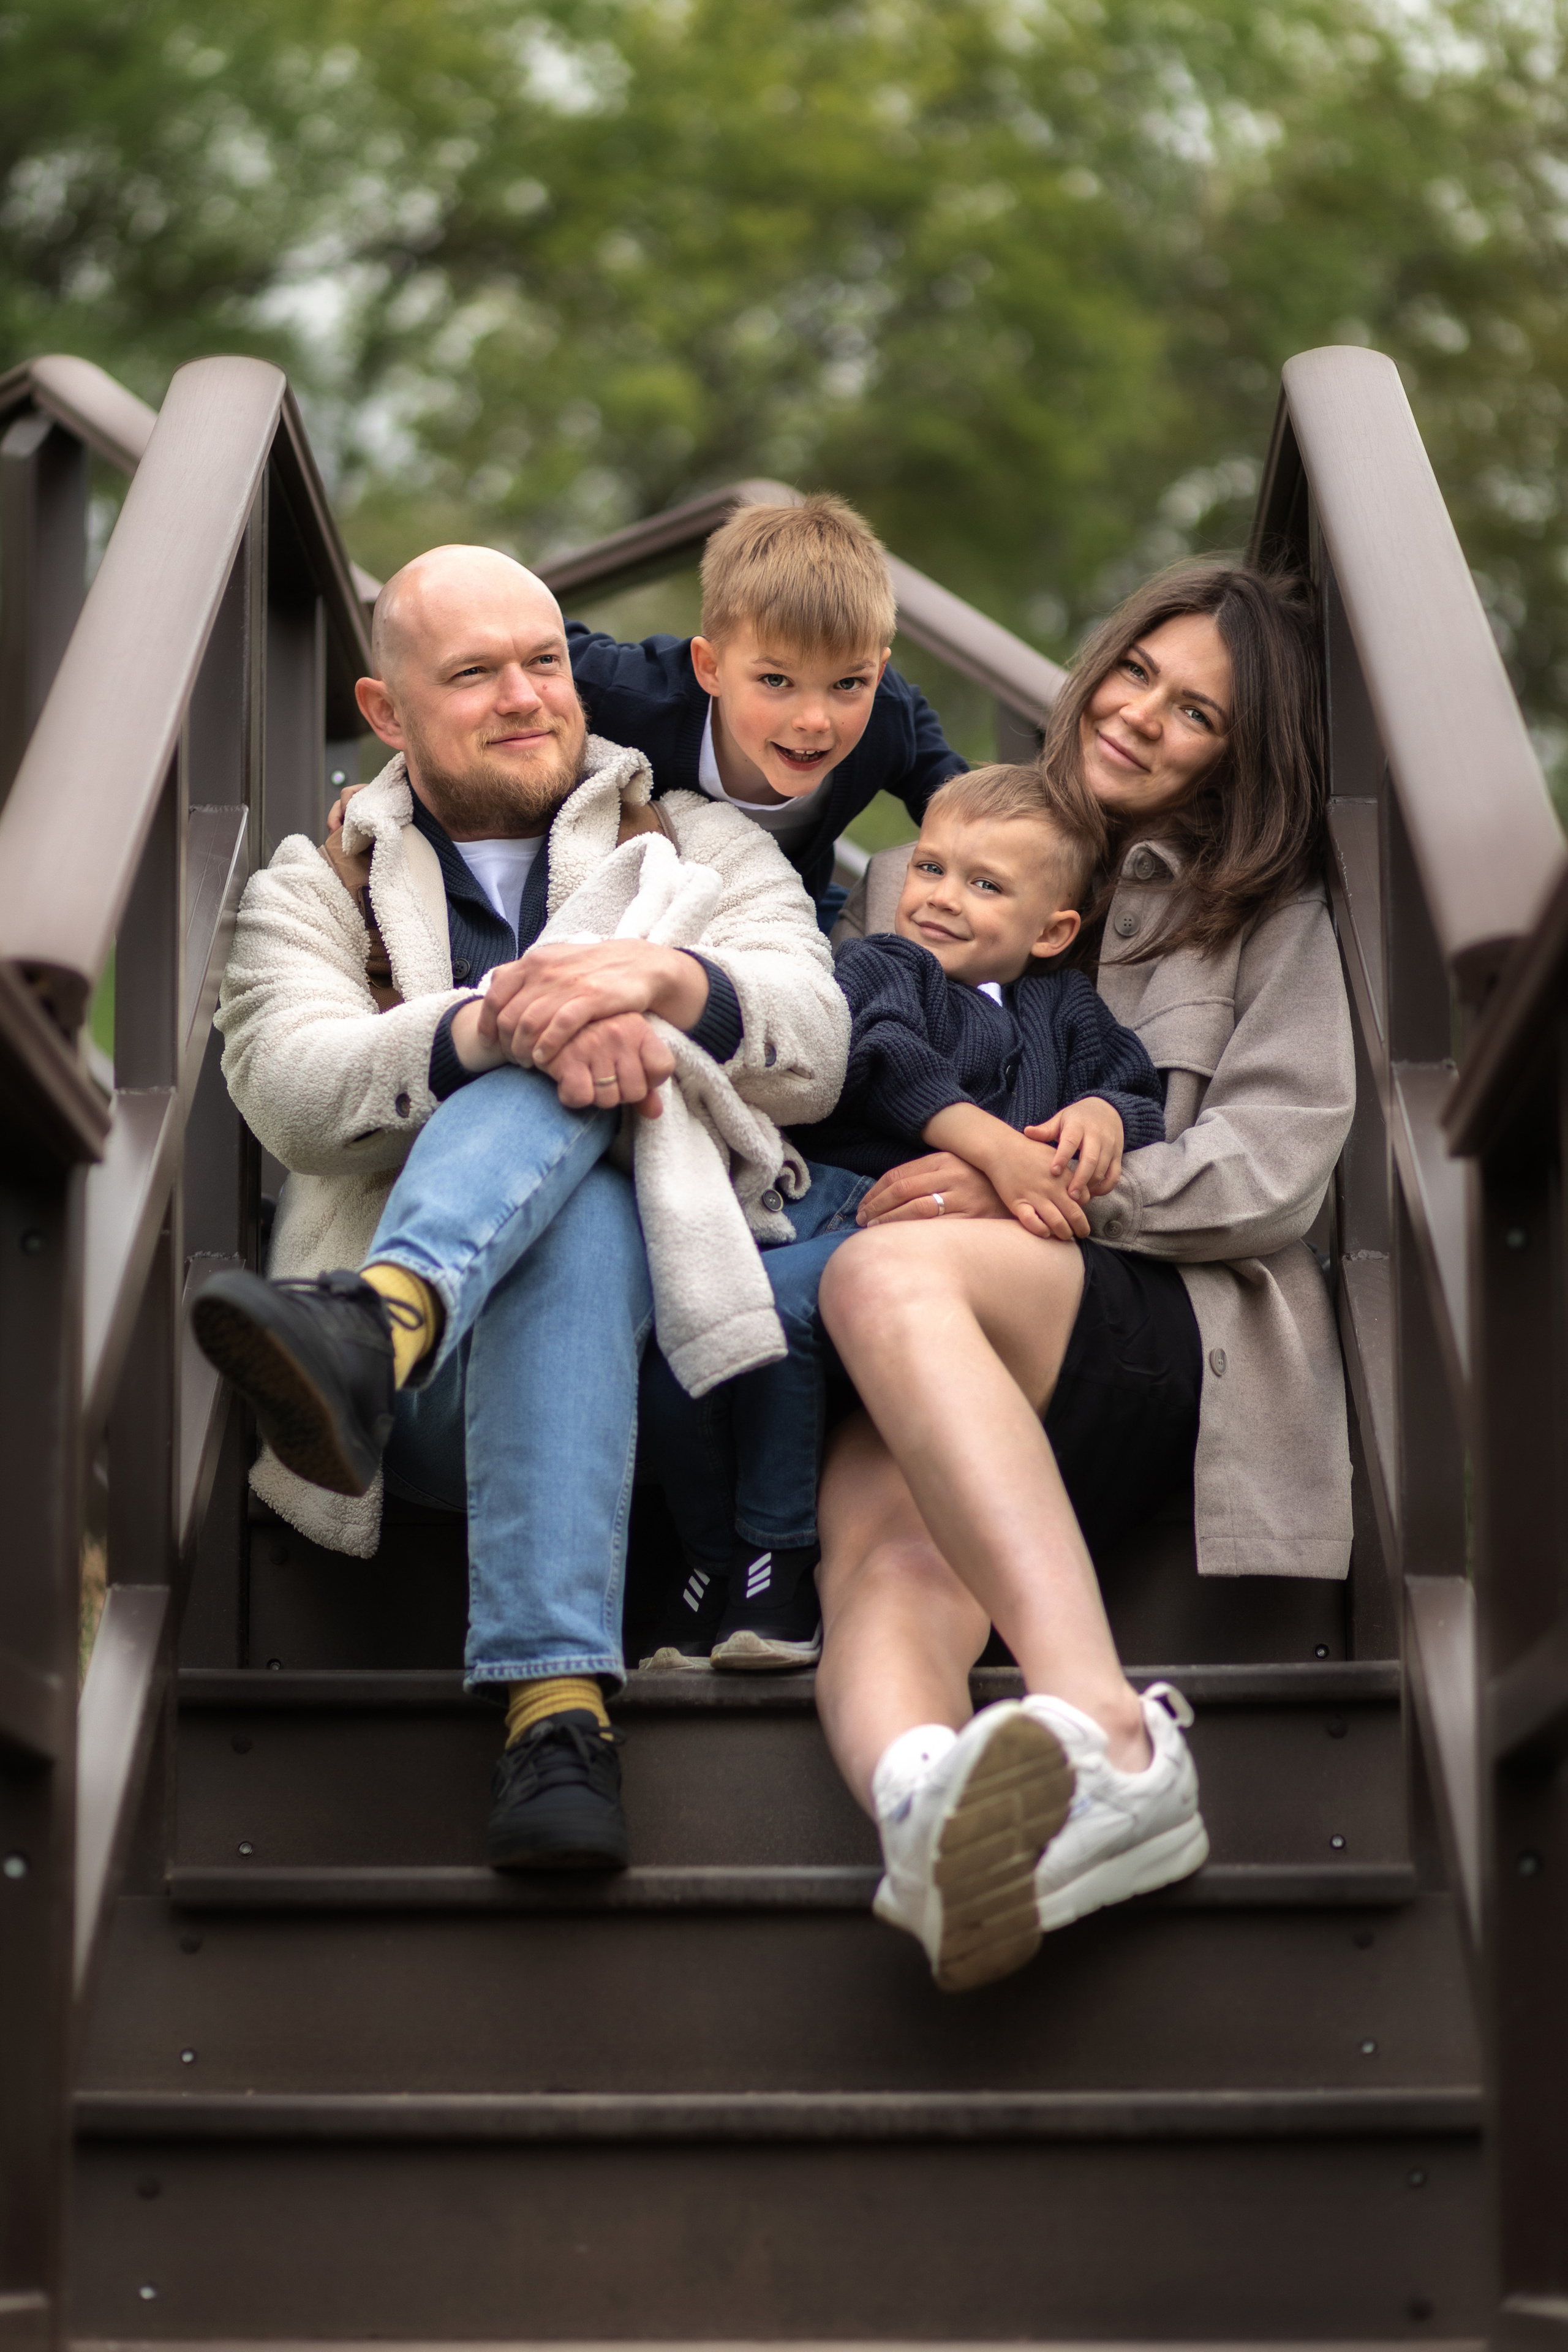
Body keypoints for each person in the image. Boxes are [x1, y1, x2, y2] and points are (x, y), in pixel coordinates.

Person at [190, 544, 847, 1875]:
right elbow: (295, 1095)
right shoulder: (310, 887)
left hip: (697, 1362)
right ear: (386, 712)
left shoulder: (700, 843)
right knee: (561, 1143)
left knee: (584, 1111)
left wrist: (652, 987)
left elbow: (814, 1044)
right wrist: (497, 1027)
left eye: (543, 661)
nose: (525, 697)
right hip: (432, 1419)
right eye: (473, 672)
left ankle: (378, 1321)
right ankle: (554, 1720)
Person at [809, 560, 1355, 1993]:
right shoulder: (943, 855)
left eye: (1196, 715)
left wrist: (1031, 1186)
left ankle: (1108, 1735)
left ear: (1244, 755)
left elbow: (1272, 1166)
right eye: (1135, 673)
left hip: (1163, 1316)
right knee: (881, 1546)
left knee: (881, 1288)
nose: (1141, 716)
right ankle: (926, 1812)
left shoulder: (1268, 910)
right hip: (946, 1307)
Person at [639, 760, 1166, 1671]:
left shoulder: (1067, 1009)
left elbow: (1135, 1089)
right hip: (836, 1208)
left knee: (774, 1321)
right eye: (929, 867)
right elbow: (883, 1057)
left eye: (984, 883)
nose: (940, 898)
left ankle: (776, 1564)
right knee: (706, 1330)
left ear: (1054, 931)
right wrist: (996, 1151)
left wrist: (1102, 1115)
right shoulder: (885, 964)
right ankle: (711, 1554)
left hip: (941, 1264)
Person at [333, 494, 967, 924]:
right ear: (710, 668)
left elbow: (978, 816)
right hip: (627, 917)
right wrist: (401, 789)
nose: (814, 720)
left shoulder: (888, 718)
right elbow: (505, 658)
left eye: (847, 685)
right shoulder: (627, 695)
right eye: (776, 680)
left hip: (783, 918)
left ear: (878, 672)